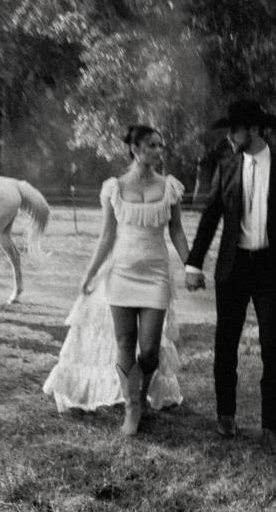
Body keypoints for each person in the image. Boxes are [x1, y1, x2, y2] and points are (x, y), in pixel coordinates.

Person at [43, 124, 190, 435]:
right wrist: (90, 272)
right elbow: (107, 235)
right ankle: (132, 406)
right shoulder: (114, 187)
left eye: (159, 146)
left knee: (149, 349)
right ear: (134, 149)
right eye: (151, 145)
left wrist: (192, 265)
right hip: (121, 272)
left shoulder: (170, 187)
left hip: (156, 275)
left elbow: (176, 231)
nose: (157, 151)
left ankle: (142, 392)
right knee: (125, 341)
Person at [185, 98, 276, 454]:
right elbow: (210, 218)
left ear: (253, 129)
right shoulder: (226, 168)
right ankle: (226, 414)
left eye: (233, 130)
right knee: (226, 343)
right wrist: (194, 264)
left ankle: (272, 427)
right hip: (233, 267)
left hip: (272, 269)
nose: (229, 137)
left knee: (273, 347)